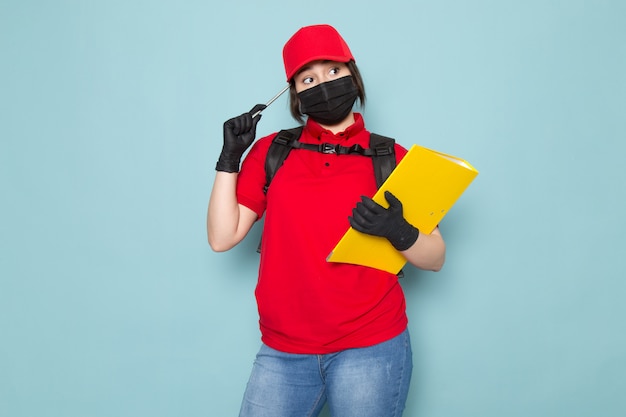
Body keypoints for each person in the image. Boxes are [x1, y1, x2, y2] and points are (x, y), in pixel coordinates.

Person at [207, 24, 446, 417]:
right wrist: (229, 159)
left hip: (372, 347)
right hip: (283, 351)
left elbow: (435, 257)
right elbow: (221, 237)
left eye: (333, 71)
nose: (324, 82)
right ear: (296, 94)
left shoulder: (391, 156)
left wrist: (397, 230)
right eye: (309, 78)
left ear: (353, 75)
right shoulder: (272, 152)